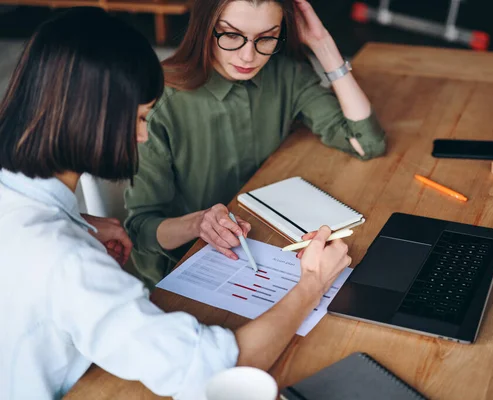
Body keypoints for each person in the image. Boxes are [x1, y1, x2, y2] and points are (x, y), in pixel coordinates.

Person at [0, 8, 351, 399]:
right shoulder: (69, 263)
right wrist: (312, 283)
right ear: (92, 120)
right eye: (139, 118)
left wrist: (78, 222)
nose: (144, 136)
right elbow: (219, 372)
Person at [124, 0, 386, 287]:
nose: (249, 56)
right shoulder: (156, 103)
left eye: (266, 38)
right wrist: (198, 224)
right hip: (180, 271)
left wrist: (322, 43)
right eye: (231, 35)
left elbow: (367, 143)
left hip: (266, 245)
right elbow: (140, 229)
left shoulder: (286, 73)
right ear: (204, 29)